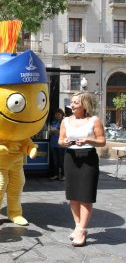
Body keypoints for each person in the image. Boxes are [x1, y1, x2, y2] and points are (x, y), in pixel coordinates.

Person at [58, 92, 106, 247]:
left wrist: (89, 140)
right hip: (70, 158)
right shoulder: (65, 121)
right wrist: (64, 142)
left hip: (88, 158)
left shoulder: (94, 120)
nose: (72, 105)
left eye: (75, 102)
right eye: (71, 102)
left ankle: (82, 229)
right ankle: (78, 226)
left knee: (85, 196)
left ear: (84, 105)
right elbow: (60, 140)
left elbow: (102, 141)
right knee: (73, 195)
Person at [49, 108, 65, 180]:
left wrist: (57, 131)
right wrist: (51, 131)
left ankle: (63, 175)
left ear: (62, 115)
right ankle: (56, 175)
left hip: (61, 145)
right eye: (56, 114)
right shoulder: (53, 122)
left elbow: (64, 133)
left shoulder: (64, 122)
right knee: (55, 161)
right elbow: (51, 133)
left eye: (59, 114)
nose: (57, 115)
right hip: (53, 143)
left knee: (62, 161)